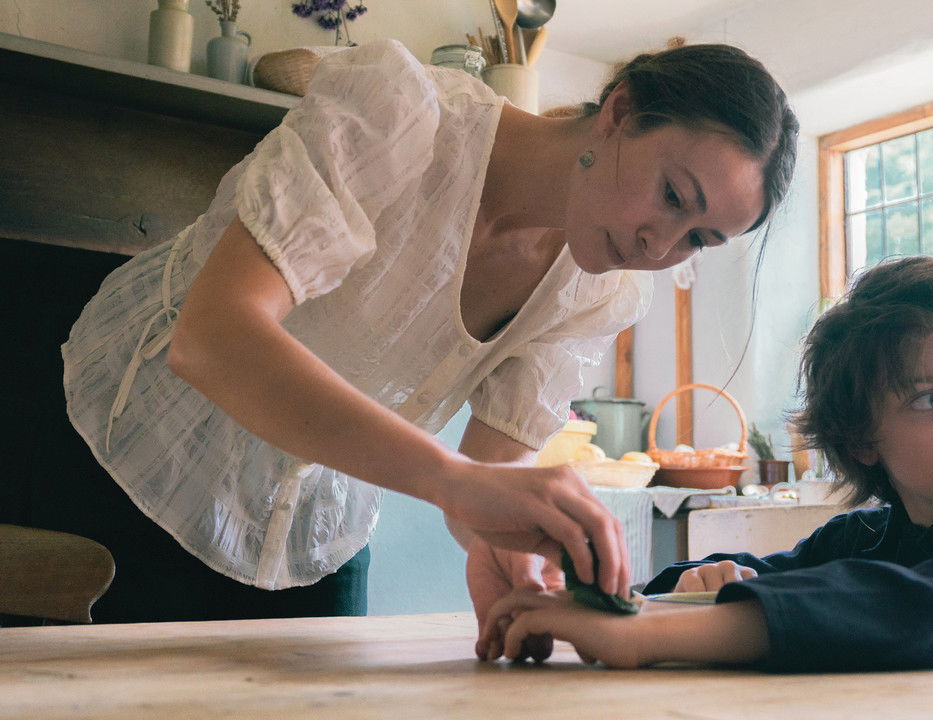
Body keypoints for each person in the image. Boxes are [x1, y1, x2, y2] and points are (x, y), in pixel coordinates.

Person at [34, 39, 798, 626]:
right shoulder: (403, 115)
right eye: (673, 195)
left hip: (298, 533)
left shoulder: (594, 292)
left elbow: (488, 481)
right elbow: (211, 335)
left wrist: (529, 567)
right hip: (122, 444)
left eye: (698, 240)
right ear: (621, 110)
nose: (660, 247)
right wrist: (454, 483)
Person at [480, 256, 933, 671]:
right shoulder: (870, 538)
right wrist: (681, 591)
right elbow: (766, 582)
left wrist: (648, 637)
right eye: (931, 398)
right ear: (862, 439)